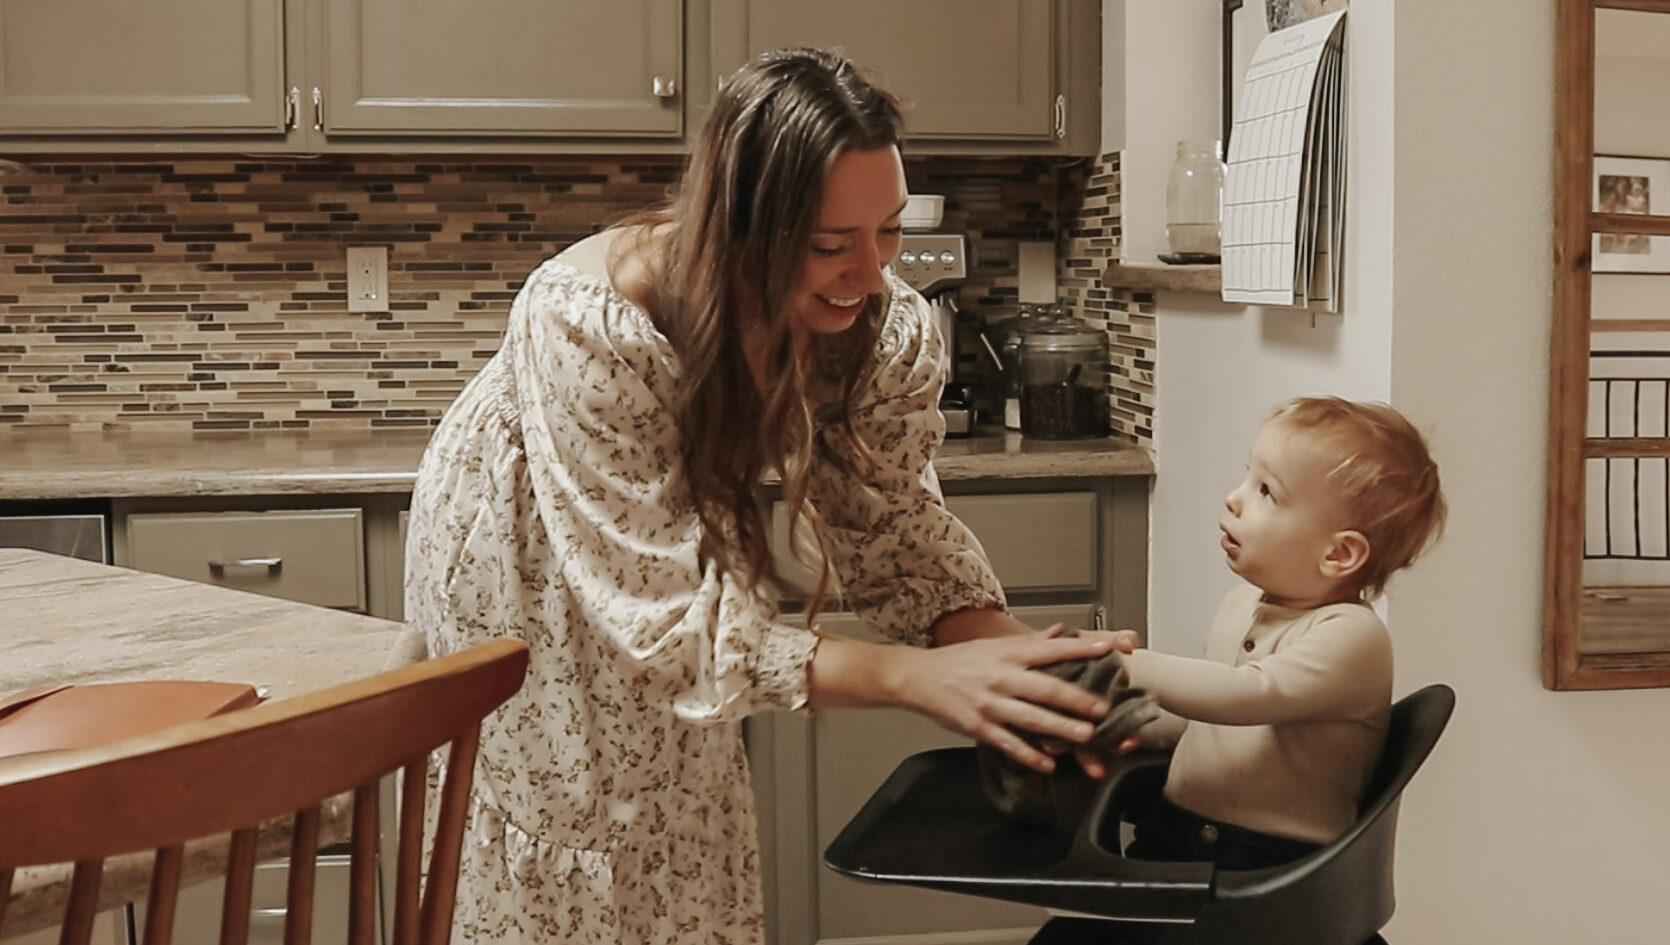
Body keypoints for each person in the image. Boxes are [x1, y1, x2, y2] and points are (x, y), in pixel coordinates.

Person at [404, 47, 1120, 945]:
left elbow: (893, 523)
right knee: (576, 808)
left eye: (889, 231)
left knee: (683, 798)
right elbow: (672, 631)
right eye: (829, 245)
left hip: (665, 577)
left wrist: (1028, 673)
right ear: (740, 231)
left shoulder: (877, 325)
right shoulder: (590, 324)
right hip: (526, 562)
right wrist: (918, 679)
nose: (868, 275)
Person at [1031, 396, 1446, 944]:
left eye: (1266, 491)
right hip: (1173, 842)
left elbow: (1244, 696)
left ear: (1339, 554)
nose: (1234, 497)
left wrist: (1122, 664)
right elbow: (1208, 724)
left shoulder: (1351, 636)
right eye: (1247, 476)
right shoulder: (1241, 604)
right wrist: (1118, 724)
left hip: (1271, 877)